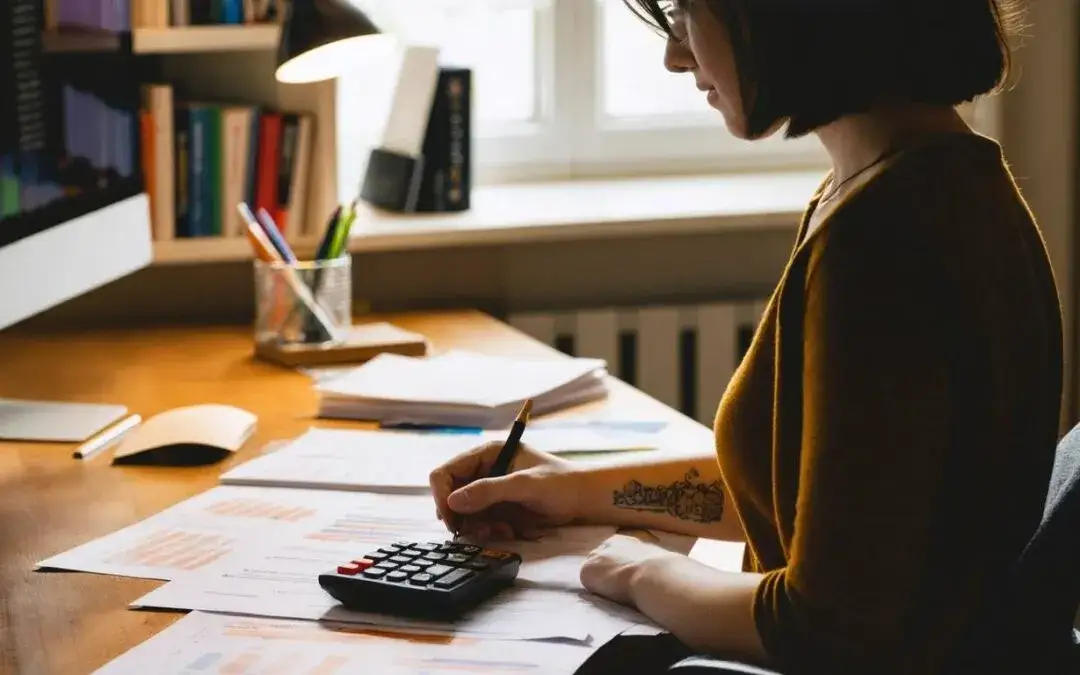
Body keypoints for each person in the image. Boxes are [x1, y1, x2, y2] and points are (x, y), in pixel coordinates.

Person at [429, 0, 1063, 672]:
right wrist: (572, 490)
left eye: (685, 14)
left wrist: (642, 571)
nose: (675, 55)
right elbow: (815, 500)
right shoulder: (917, 182)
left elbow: (821, 625)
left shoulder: (883, 241)